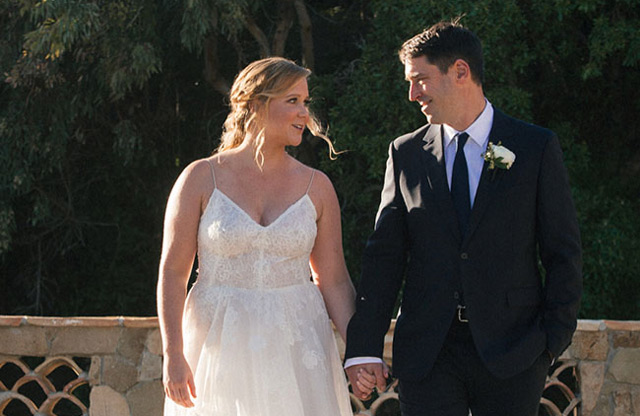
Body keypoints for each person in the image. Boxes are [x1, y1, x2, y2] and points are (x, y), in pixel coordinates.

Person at [344, 20, 582, 416]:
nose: (412, 94)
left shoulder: (534, 147)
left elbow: (563, 252)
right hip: (427, 354)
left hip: (514, 353)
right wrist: (364, 346)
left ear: (460, 71)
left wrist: (550, 342)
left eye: (420, 79)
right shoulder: (405, 153)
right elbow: (383, 258)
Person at [157, 57, 355, 416]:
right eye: (292, 101)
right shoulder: (200, 178)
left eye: (305, 102)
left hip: (297, 346)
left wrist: (358, 352)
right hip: (218, 346)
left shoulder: (317, 187)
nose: (304, 113)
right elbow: (173, 274)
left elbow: (335, 280)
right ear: (254, 105)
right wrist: (173, 353)